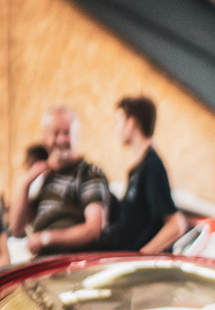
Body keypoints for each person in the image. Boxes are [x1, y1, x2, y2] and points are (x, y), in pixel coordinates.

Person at [11, 106, 111, 256]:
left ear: (76, 136)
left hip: (72, 261)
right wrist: (26, 184)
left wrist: (45, 238)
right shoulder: (43, 176)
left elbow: (93, 229)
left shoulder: (89, 172)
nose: (61, 140)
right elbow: (16, 229)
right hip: (42, 260)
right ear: (45, 137)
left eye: (67, 133)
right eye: (55, 133)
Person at [97, 96, 184, 253]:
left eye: (118, 121)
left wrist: (141, 256)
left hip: (142, 266)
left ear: (131, 123)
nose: (116, 128)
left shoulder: (152, 167)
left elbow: (176, 225)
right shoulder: (137, 170)